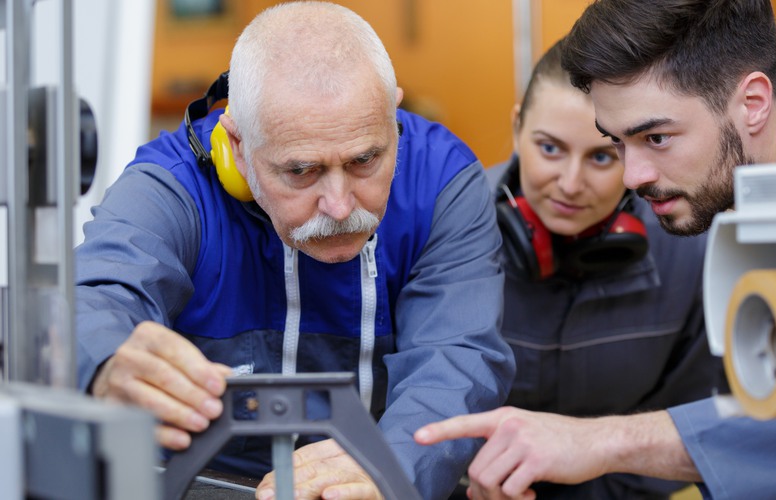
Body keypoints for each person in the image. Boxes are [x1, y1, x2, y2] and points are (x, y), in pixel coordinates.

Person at [415, 0, 776, 499]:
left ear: (753, 102)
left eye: (656, 138)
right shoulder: (763, 186)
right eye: (619, 142)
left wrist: (605, 441)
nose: (633, 176)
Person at [74, 2, 514, 499]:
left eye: (365, 159)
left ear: (393, 114)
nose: (340, 205)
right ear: (236, 145)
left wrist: (392, 468)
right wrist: (106, 361)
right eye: (301, 171)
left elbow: (456, 358)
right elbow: (95, 296)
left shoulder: (442, 181)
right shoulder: (173, 186)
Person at [483, 38, 722, 498]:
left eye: (600, 156)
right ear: (517, 128)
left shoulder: (689, 250)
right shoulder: (448, 234)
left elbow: (689, 422)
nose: (570, 185)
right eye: (549, 148)